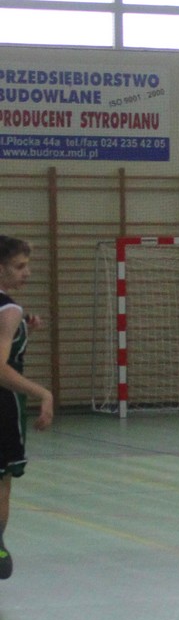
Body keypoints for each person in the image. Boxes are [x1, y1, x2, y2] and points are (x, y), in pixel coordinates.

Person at [0, 236, 54, 580]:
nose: (28, 272)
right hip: (3, 402)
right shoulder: (9, 310)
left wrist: (23, 328)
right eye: (20, 266)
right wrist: (42, 393)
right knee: (2, 480)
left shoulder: (13, 312)